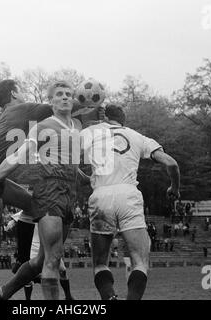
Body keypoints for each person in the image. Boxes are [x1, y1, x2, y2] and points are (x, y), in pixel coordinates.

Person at [0, 79, 103, 300]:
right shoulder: (24, 109)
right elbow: (67, 107)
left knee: (5, 226)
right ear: (15, 93)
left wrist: (81, 176)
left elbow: (56, 156)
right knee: (21, 216)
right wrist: (90, 102)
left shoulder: (7, 115)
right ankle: (22, 258)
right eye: (21, 90)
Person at [0, 80, 83, 300]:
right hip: (49, 191)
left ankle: (3, 293)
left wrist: (84, 178)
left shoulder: (75, 129)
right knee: (53, 259)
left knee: (41, 261)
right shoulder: (43, 127)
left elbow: (69, 163)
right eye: (58, 94)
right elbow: (16, 156)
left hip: (70, 194)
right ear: (51, 101)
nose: (64, 97)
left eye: (68, 94)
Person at [80, 104, 180, 300]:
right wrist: (174, 188)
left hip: (100, 195)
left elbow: (64, 159)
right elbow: (172, 163)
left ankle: (109, 297)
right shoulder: (137, 136)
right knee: (140, 261)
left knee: (100, 264)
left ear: (104, 117)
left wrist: (86, 178)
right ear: (122, 120)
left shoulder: (89, 133)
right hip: (128, 195)